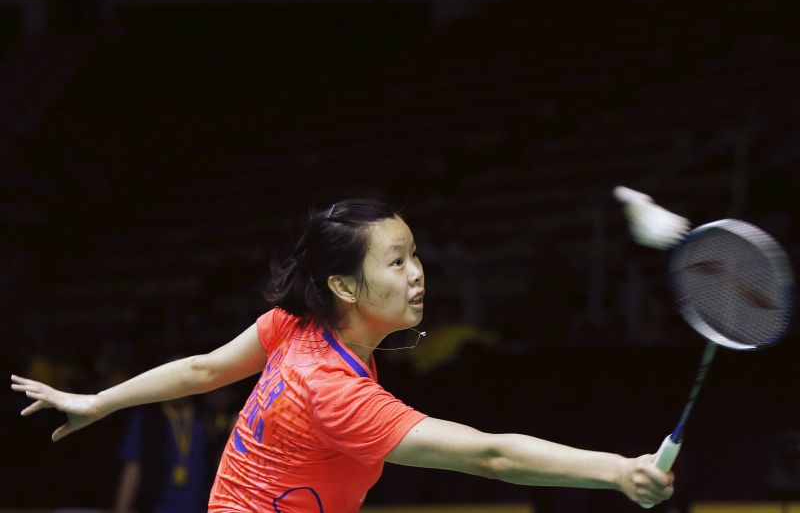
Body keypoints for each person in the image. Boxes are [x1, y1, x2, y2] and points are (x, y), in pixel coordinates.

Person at [12, 199, 675, 511]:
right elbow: (490, 454)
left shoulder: (293, 327)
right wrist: (615, 471)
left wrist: (100, 400)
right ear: (345, 286)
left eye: (415, 253)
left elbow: (204, 369)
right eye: (396, 261)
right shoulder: (335, 392)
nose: (417, 273)